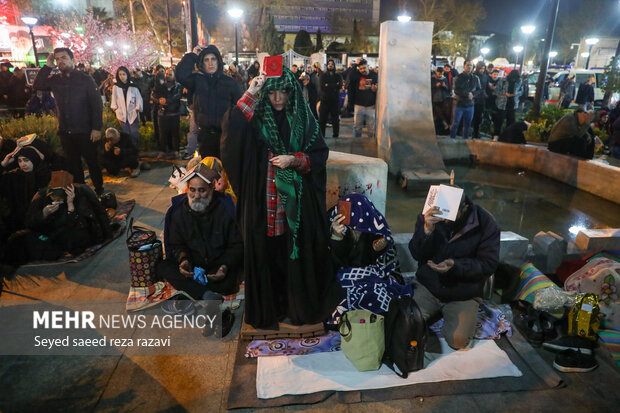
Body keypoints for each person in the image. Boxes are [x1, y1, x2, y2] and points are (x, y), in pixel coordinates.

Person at [221, 68, 343, 329]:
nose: (278, 98)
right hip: (262, 200)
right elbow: (231, 132)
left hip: (296, 206)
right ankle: (270, 309)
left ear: (292, 92)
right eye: (272, 91)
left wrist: (294, 160)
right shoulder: (256, 118)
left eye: (284, 91)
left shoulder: (303, 117)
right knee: (266, 256)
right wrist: (250, 93)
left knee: (292, 257)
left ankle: (295, 307)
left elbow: (319, 154)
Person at [408, 192, 500, 349]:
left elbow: (488, 264)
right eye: (441, 213)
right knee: (408, 325)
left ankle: (446, 316)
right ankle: (432, 313)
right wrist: (426, 231)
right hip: (428, 286)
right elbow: (416, 254)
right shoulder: (430, 214)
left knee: (458, 341)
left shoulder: (485, 222)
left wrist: (456, 266)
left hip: (463, 292)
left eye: (448, 214)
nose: (443, 219)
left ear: (464, 208)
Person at [159, 164, 242, 300]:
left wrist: (224, 267)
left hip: (217, 264)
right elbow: (177, 244)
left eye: (202, 190)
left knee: (227, 283)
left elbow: (236, 245)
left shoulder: (224, 210)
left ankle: (195, 290)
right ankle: (205, 294)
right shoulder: (179, 212)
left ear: (211, 188)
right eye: (192, 190)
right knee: (164, 267)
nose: (196, 195)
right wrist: (184, 260)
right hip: (193, 264)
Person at [328, 194, 410, 324]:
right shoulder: (337, 228)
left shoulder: (375, 230)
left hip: (373, 277)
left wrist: (381, 247)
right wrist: (336, 237)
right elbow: (333, 263)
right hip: (344, 277)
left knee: (376, 296)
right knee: (335, 296)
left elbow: (386, 269)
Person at [32, 48, 105, 195]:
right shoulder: (56, 80)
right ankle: (81, 192)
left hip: (85, 130)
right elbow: (37, 85)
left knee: (92, 162)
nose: (60, 61)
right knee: (73, 165)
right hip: (66, 131)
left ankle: (99, 191)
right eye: (57, 59)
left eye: (64, 58)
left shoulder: (85, 79)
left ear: (72, 59)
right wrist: (48, 66)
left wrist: (96, 128)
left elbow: (96, 104)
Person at [5, 178, 111, 267]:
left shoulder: (79, 195)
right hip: (48, 235)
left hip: (69, 235)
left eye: (59, 199)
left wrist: (70, 206)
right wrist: (43, 214)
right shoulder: (41, 197)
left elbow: (84, 225)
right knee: (20, 239)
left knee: (72, 236)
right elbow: (30, 224)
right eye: (53, 198)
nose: (56, 201)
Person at [177, 45, 242, 158]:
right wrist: (193, 55)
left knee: (227, 173)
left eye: (213, 59)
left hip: (227, 137)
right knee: (208, 172)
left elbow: (240, 108)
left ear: (218, 61)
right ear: (202, 63)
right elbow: (180, 75)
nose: (210, 63)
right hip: (206, 137)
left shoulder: (230, 83)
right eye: (206, 60)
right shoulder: (197, 81)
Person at [0, 146, 51, 234]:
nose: (22, 164)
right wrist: (3, 164)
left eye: (26, 160)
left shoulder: (45, 175)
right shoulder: (15, 176)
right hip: (17, 226)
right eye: (20, 161)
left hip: (43, 225)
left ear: (34, 159)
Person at [152, 68, 183, 156]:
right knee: (162, 133)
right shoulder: (161, 85)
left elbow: (177, 96)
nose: (168, 76)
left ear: (174, 76)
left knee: (175, 133)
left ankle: (175, 150)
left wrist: (166, 100)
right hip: (162, 113)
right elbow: (154, 94)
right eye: (166, 74)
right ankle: (163, 150)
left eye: (170, 74)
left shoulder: (178, 86)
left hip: (174, 113)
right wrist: (159, 100)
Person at [110, 66, 143, 147]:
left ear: (127, 75)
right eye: (120, 74)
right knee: (126, 134)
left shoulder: (133, 86)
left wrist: (137, 108)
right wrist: (115, 109)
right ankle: (127, 151)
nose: (122, 76)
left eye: (124, 74)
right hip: (121, 114)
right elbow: (114, 99)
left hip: (132, 113)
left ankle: (135, 150)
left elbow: (138, 98)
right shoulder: (116, 87)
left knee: (134, 133)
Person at [347, 59, 378, 138]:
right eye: (360, 69)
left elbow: (377, 86)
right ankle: (356, 142)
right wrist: (355, 65)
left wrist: (374, 89)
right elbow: (350, 76)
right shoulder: (357, 75)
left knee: (371, 127)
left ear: (368, 66)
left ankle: (371, 142)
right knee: (357, 127)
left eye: (364, 68)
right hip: (359, 105)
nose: (362, 70)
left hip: (371, 105)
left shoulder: (374, 74)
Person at [450, 60, 479, 140]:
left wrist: (473, 94)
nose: (469, 67)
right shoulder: (458, 77)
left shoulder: (475, 78)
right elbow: (456, 90)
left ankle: (465, 141)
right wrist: (467, 94)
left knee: (467, 124)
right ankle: (452, 139)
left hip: (470, 105)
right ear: (464, 66)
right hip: (460, 104)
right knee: (456, 123)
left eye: (471, 65)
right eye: (468, 65)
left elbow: (479, 90)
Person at [318, 59, 343, 138]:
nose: (330, 65)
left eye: (332, 64)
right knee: (322, 120)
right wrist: (334, 85)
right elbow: (322, 87)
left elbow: (340, 85)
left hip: (335, 100)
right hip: (325, 100)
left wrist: (328, 85)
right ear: (327, 65)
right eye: (329, 64)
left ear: (334, 65)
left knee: (335, 119)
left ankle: (336, 135)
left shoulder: (338, 76)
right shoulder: (323, 76)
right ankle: (322, 135)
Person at [431, 68, 451, 134]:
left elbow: (448, 88)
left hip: (443, 98)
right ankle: (445, 122)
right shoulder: (433, 79)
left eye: (441, 73)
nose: (440, 75)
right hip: (435, 98)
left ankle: (442, 127)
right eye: (439, 73)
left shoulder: (444, 79)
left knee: (440, 112)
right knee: (437, 111)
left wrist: (444, 86)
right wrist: (435, 85)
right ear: (436, 72)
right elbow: (430, 87)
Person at [472, 62, 489, 139]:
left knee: (479, 116)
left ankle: (476, 131)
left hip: (482, 98)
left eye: (483, 68)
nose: (482, 70)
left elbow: (485, 86)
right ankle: (472, 131)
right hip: (475, 98)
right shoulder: (474, 76)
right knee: (474, 115)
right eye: (481, 68)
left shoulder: (485, 76)